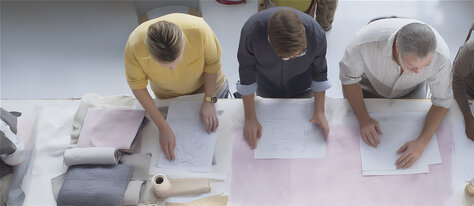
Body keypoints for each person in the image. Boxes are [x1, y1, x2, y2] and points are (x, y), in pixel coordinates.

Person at [339, 18, 452, 169]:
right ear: (397, 47)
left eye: (424, 66)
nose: (418, 72)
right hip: (369, 86)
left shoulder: (441, 56)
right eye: (412, 66)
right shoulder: (362, 45)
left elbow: (442, 101)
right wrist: (363, 118)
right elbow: (349, 79)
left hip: (412, 90)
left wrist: (422, 142)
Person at [124, 13, 229, 160]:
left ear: (184, 44)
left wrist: (209, 99)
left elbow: (213, 63)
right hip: (169, 97)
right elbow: (138, 86)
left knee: (222, 140)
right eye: (165, 66)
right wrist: (162, 125)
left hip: (211, 89)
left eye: (177, 61)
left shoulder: (199, 30)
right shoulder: (134, 47)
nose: (173, 69)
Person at [237, 7, 331, 149]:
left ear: (304, 32)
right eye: (284, 57)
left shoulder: (317, 35)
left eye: (299, 54)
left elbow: (320, 72)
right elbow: (246, 73)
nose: (290, 60)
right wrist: (250, 118)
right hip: (267, 84)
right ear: (269, 38)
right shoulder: (250, 32)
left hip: (303, 85)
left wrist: (319, 111)